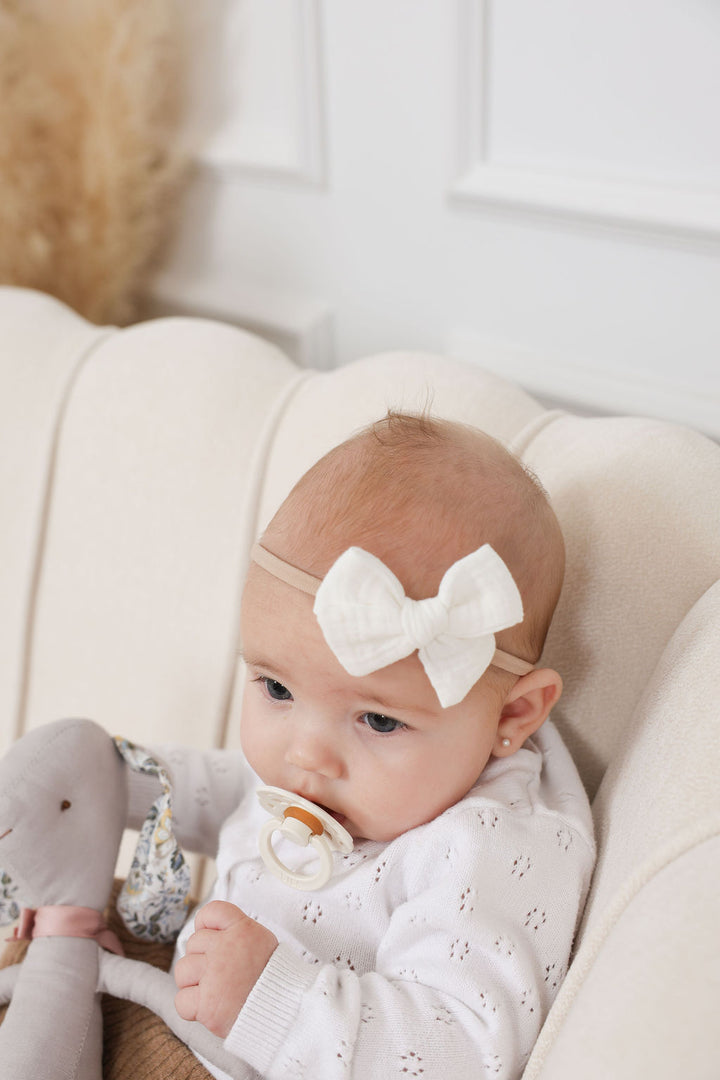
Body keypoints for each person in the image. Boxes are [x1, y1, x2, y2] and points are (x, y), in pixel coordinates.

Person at [131, 412, 595, 1080]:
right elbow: (238, 794)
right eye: (276, 690)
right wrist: (131, 783)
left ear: (514, 714)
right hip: (178, 1012)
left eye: (378, 722)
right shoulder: (347, 782)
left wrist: (271, 999)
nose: (305, 757)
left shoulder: (485, 851)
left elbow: (459, 1051)